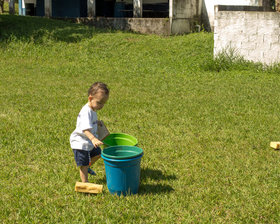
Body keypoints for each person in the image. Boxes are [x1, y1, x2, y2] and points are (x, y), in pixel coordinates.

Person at [70, 82, 109, 182]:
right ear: (90, 99)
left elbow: (91, 122)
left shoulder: (93, 109)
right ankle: (85, 183)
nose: (101, 106)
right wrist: (93, 139)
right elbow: (85, 129)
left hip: (88, 143)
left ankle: (87, 166)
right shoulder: (86, 111)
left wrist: (98, 124)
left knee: (98, 154)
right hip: (80, 143)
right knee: (83, 165)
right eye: (99, 102)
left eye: (104, 103)